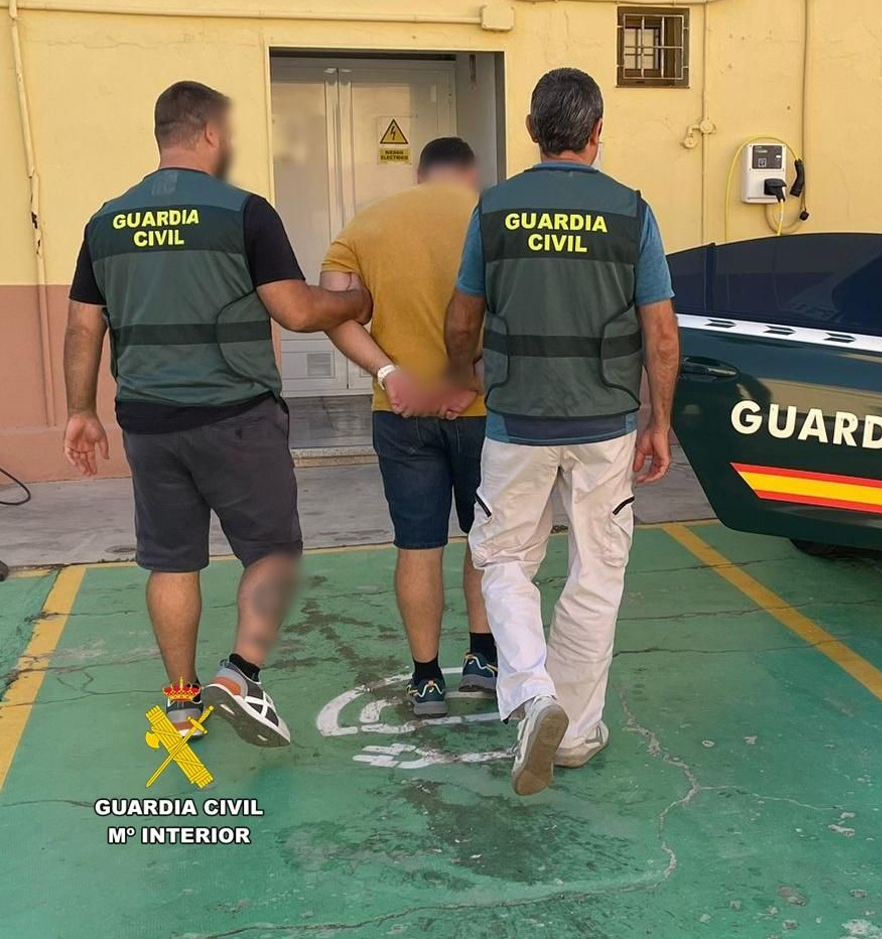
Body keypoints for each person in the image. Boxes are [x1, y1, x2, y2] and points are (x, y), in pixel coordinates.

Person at [61, 80, 372, 746]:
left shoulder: (105, 221)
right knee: (276, 551)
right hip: (236, 417)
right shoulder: (242, 211)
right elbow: (295, 309)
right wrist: (352, 303)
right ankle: (238, 674)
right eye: (224, 133)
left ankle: (181, 704)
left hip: (147, 422)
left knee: (171, 562)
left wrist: (81, 410)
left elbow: (84, 329)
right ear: (206, 133)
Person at [444, 67, 680, 796]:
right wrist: (658, 422)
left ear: (532, 131)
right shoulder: (631, 213)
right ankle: (573, 731)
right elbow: (662, 336)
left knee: (505, 559)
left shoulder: (495, 210)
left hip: (516, 423)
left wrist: (468, 376)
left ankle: (529, 691)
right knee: (597, 572)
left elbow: (460, 320)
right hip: (605, 424)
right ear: (597, 132)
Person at [319, 136, 495, 716]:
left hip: (401, 415)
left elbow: (333, 312)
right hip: (484, 413)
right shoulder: (494, 218)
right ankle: (482, 658)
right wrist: (470, 380)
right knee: (487, 542)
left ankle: (424, 680)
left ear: (420, 175)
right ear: (469, 175)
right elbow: (521, 316)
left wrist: (390, 371)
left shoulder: (364, 227)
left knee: (417, 547)